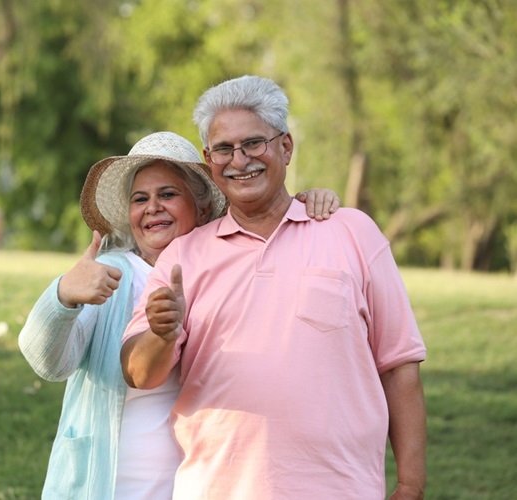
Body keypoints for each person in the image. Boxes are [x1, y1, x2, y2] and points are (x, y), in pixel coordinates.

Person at [121, 76, 427, 500]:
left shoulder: (352, 232)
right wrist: (160, 332)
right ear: (210, 159)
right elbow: (138, 372)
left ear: (285, 147)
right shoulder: (182, 257)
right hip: (215, 490)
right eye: (224, 149)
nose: (239, 159)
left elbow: (399, 366)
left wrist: (411, 485)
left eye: (253, 144)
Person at [18, 130, 341, 499]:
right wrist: (63, 296)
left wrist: (308, 203)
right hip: (105, 485)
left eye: (168, 194)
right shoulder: (111, 276)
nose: (152, 207)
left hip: (197, 484)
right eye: (140, 199)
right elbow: (47, 363)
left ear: (202, 207)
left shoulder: (224, 269)